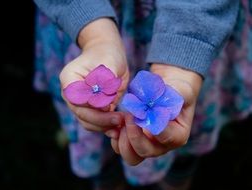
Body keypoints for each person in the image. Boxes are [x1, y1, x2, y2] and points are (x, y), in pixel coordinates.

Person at [33, 0, 252, 189]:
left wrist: (182, 57)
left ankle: (176, 178)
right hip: (87, 27)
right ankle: (108, 180)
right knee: (104, 138)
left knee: (182, 137)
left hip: (196, 29)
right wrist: (95, 36)